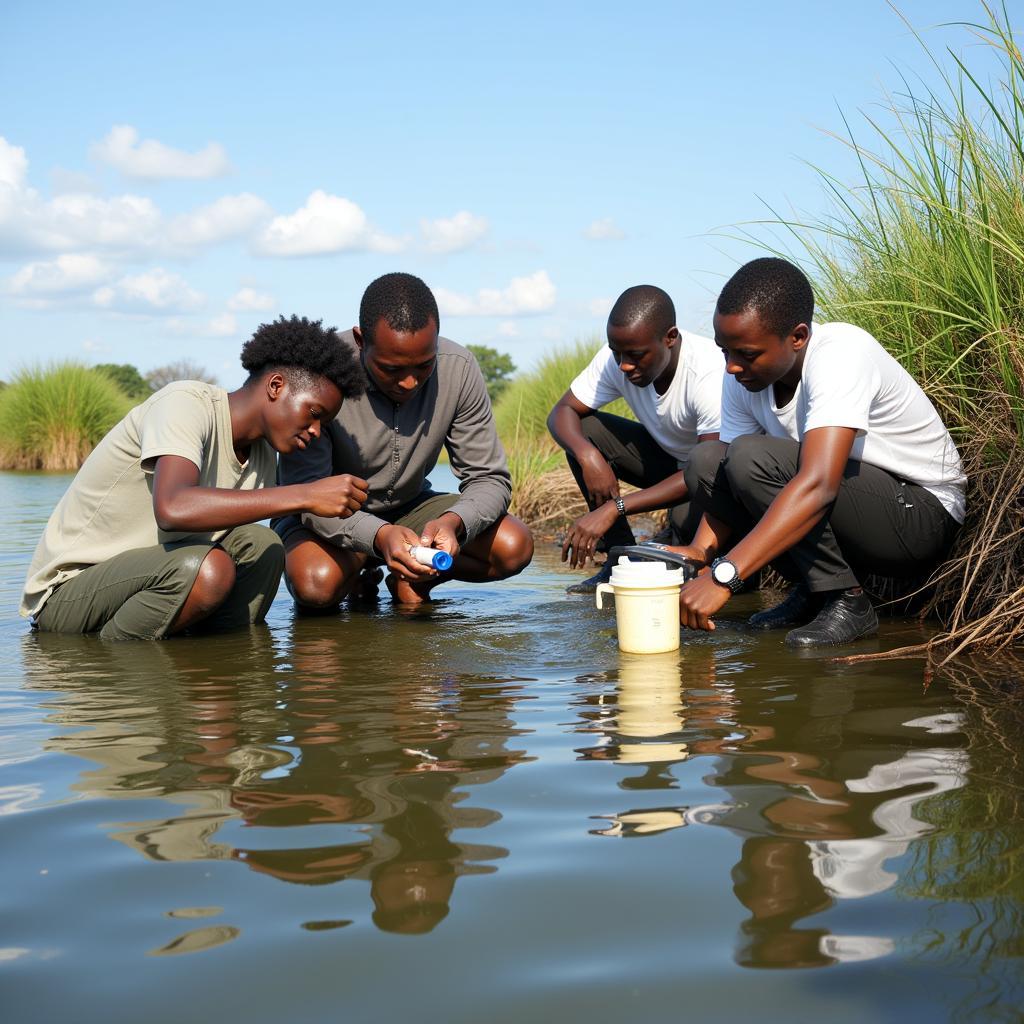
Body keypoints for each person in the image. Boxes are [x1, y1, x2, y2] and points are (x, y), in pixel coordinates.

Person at [20, 315, 369, 640]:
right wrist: (304, 494)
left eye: (323, 423)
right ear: (276, 386)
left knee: (264, 547)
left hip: (152, 581)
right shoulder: (184, 404)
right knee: (209, 569)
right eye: (313, 414)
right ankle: (110, 663)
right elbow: (173, 509)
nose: (315, 431)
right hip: (70, 594)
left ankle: (223, 664)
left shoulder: (263, 454)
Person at [675, 257, 966, 646]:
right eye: (724, 351)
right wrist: (701, 550)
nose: (730, 367)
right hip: (856, 506)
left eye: (745, 354)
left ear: (797, 337)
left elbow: (818, 485)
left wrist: (725, 575)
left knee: (749, 458)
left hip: (919, 516)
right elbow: (722, 478)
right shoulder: (741, 375)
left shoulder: (840, 353)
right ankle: (814, 590)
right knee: (706, 462)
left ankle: (847, 601)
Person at [275, 272, 534, 607]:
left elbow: (489, 479)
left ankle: (411, 581)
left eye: (424, 366)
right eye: (391, 369)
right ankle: (357, 574)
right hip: (325, 517)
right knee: (317, 584)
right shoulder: (317, 374)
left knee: (514, 546)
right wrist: (378, 538)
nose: (410, 383)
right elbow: (306, 495)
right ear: (360, 340)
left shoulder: (459, 368)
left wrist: (454, 523)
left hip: (411, 511)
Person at [547, 285, 722, 591]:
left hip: (714, 478)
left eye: (636, 356)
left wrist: (614, 507)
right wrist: (589, 458)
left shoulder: (707, 372)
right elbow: (561, 412)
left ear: (670, 337)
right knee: (583, 432)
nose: (624, 365)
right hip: (669, 462)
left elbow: (709, 468)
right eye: (617, 353)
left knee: (687, 550)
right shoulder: (618, 358)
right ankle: (617, 561)